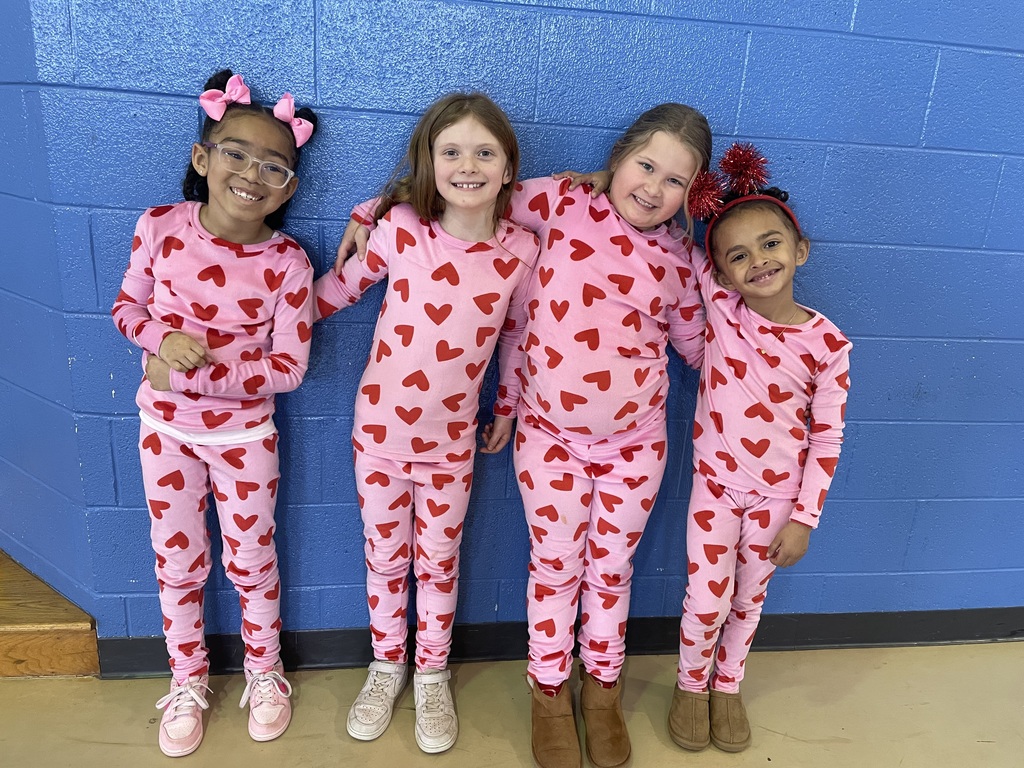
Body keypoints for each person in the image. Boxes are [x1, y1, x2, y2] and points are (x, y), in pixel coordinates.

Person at [338, 101, 710, 768]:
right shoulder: (558, 203)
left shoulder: (680, 260)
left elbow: (700, 348)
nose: (653, 188)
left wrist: (770, 364)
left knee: (610, 572)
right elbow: (467, 189)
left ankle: (600, 692)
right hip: (549, 440)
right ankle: (547, 689)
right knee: (555, 566)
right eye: (645, 166)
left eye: (675, 181)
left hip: (637, 445)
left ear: (692, 193)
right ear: (616, 159)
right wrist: (372, 210)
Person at [314, 92, 540, 754]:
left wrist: (507, 406)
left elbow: (518, 337)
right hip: (378, 437)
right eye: (451, 151)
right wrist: (253, 329)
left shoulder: (521, 251)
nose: (466, 165)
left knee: (439, 561)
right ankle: (387, 665)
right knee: (385, 559)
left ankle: (432, 672)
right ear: (429, 162)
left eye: (483, 152)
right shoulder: (402, 229)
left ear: (507, 168)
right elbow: (339, 292)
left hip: (452, 446)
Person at [111, 69, 318, 758]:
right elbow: (125, 310)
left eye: (274, 165)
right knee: (178, 563)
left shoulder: (289, 262)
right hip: (163, 433)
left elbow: (289, 369)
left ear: (288, 187)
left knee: (253, 559)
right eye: (235, 153)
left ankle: (266, 673)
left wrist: (201, 376)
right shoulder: (159, 227)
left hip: (244, 439)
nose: (251, 173)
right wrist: (155, 345)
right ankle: (187, 678)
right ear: (203, 158)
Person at [666, 144, 852, 753]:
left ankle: (727, 683)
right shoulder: (722, 306)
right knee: (706, 594)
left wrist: (804, 520)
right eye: (738, 256)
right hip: (715, 488)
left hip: (778, 497)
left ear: (799, 250)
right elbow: (682, 240)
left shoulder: (828, 345)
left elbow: (827, 437)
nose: (757, 262)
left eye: (771, 244)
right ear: (721, 273)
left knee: (748, 598)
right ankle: (691, 683)